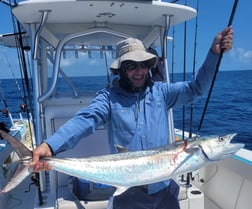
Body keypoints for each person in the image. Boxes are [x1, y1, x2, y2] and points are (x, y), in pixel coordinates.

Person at [30, 26, 233, 209]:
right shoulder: (108, 99)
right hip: (129, 194)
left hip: (165, 191)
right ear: (121, 69)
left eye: (144, 64)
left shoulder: (162, 93)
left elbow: (196, 88)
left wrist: (213, 55)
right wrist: (50, 146)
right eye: (131, 66)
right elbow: (85, 120)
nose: (139, 71)